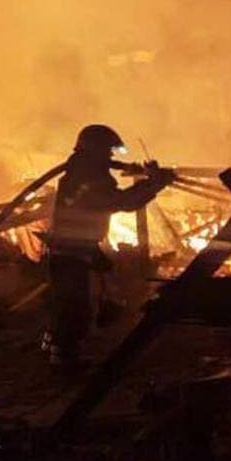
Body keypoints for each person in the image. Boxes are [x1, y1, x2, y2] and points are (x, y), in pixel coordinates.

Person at [43, 123, 174, 372]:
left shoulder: (79, 173)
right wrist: (156, 184)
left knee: (69, 304)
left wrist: (147, 177)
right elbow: (123, 201)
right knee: (74, 308)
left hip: (73, 249)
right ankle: (64, 363)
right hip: (70, 252)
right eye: (108, 152)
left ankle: (57, 351)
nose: (111, 157)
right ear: (96, 150)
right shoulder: (88, 178)